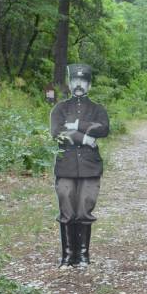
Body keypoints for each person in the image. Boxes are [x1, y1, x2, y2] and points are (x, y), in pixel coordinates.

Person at [49, 63, 109, 267]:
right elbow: (57, 133)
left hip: (90, 168)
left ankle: (83, 256)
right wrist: (85, 139)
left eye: (83, 81)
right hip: (65, 166)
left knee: (84, 208)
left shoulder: (97, 109)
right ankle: (67, 256)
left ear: (89, 84)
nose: (79, 85)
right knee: (66, 208)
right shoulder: (60, 108)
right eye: (75, 80)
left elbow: (103, 128)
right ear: (69, 82)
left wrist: (76, 126)